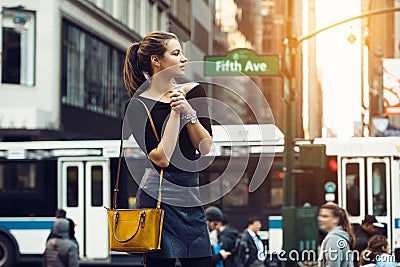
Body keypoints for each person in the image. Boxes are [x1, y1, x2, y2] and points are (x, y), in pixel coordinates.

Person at [124, 31, 214, 267]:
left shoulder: (194, 92)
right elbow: (161, 158)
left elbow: (204, 147)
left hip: (190, 198)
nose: (183, 58)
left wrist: (188, 112)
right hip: (157, 201)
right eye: (176, 53)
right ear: (156, 61)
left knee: (202, 262)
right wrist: (175, 113)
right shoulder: (137, 106)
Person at [318, 202, 355, 267]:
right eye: (320, 216)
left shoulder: (333, 239)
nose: (320, 219)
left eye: (325, 216)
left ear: (336, 219)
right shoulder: (339, 236)